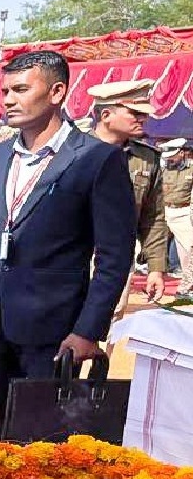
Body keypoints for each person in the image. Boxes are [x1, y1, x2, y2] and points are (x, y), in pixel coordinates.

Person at [0, 51, 137, 444]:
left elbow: (114, 259)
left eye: (21, 89)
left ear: (57, 92)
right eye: (5, 90)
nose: (8, 99)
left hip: (53, 326)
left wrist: (87, 330)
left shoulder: (97, 160)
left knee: (41, 441)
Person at [88, 80, 168, 313]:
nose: (143, 119)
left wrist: (156, 267)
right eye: (135, 113)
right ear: (106, 115)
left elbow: (153, 217)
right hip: (71, 258)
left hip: (118, 258)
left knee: (107, 326)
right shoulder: (72, 152)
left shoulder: (146, 159)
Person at [160, 138, 193, 299]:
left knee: (187, 251)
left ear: (181, 153)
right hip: (163, 210)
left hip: (183, 212)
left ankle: (186, 286)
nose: (169, 159)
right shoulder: (162, 168)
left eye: (172, 155)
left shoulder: (191, 169)